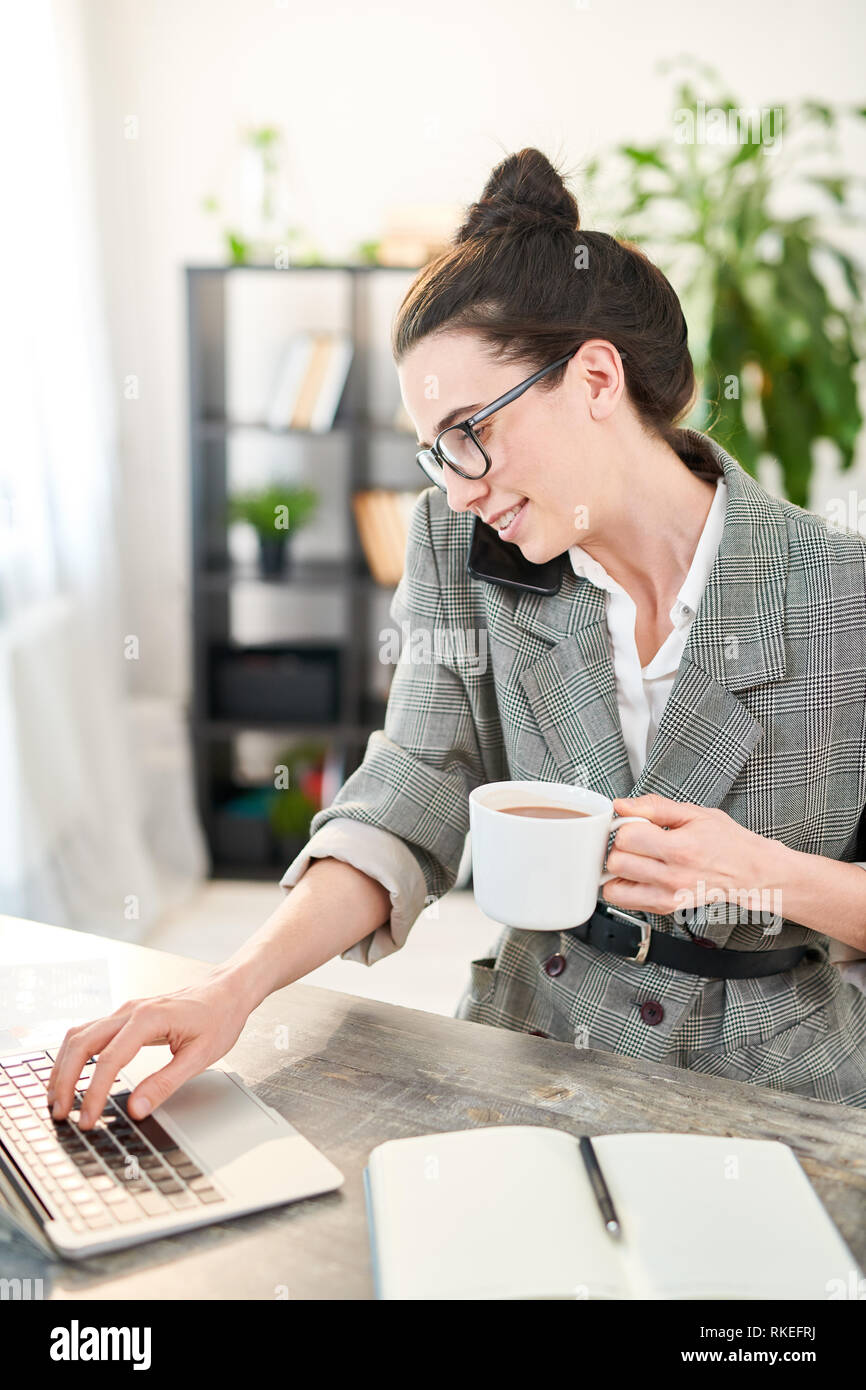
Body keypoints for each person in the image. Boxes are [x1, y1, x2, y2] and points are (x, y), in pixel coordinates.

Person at [48, 147, 866, 1122]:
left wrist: (769, 876)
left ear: (595, 377)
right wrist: (230, 986)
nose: (457, 486)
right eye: (434, 452)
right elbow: (413, 787)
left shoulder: (836, 587)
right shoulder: (459, 545)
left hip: (780, 1092)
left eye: (470, 431)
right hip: (533, 1045)